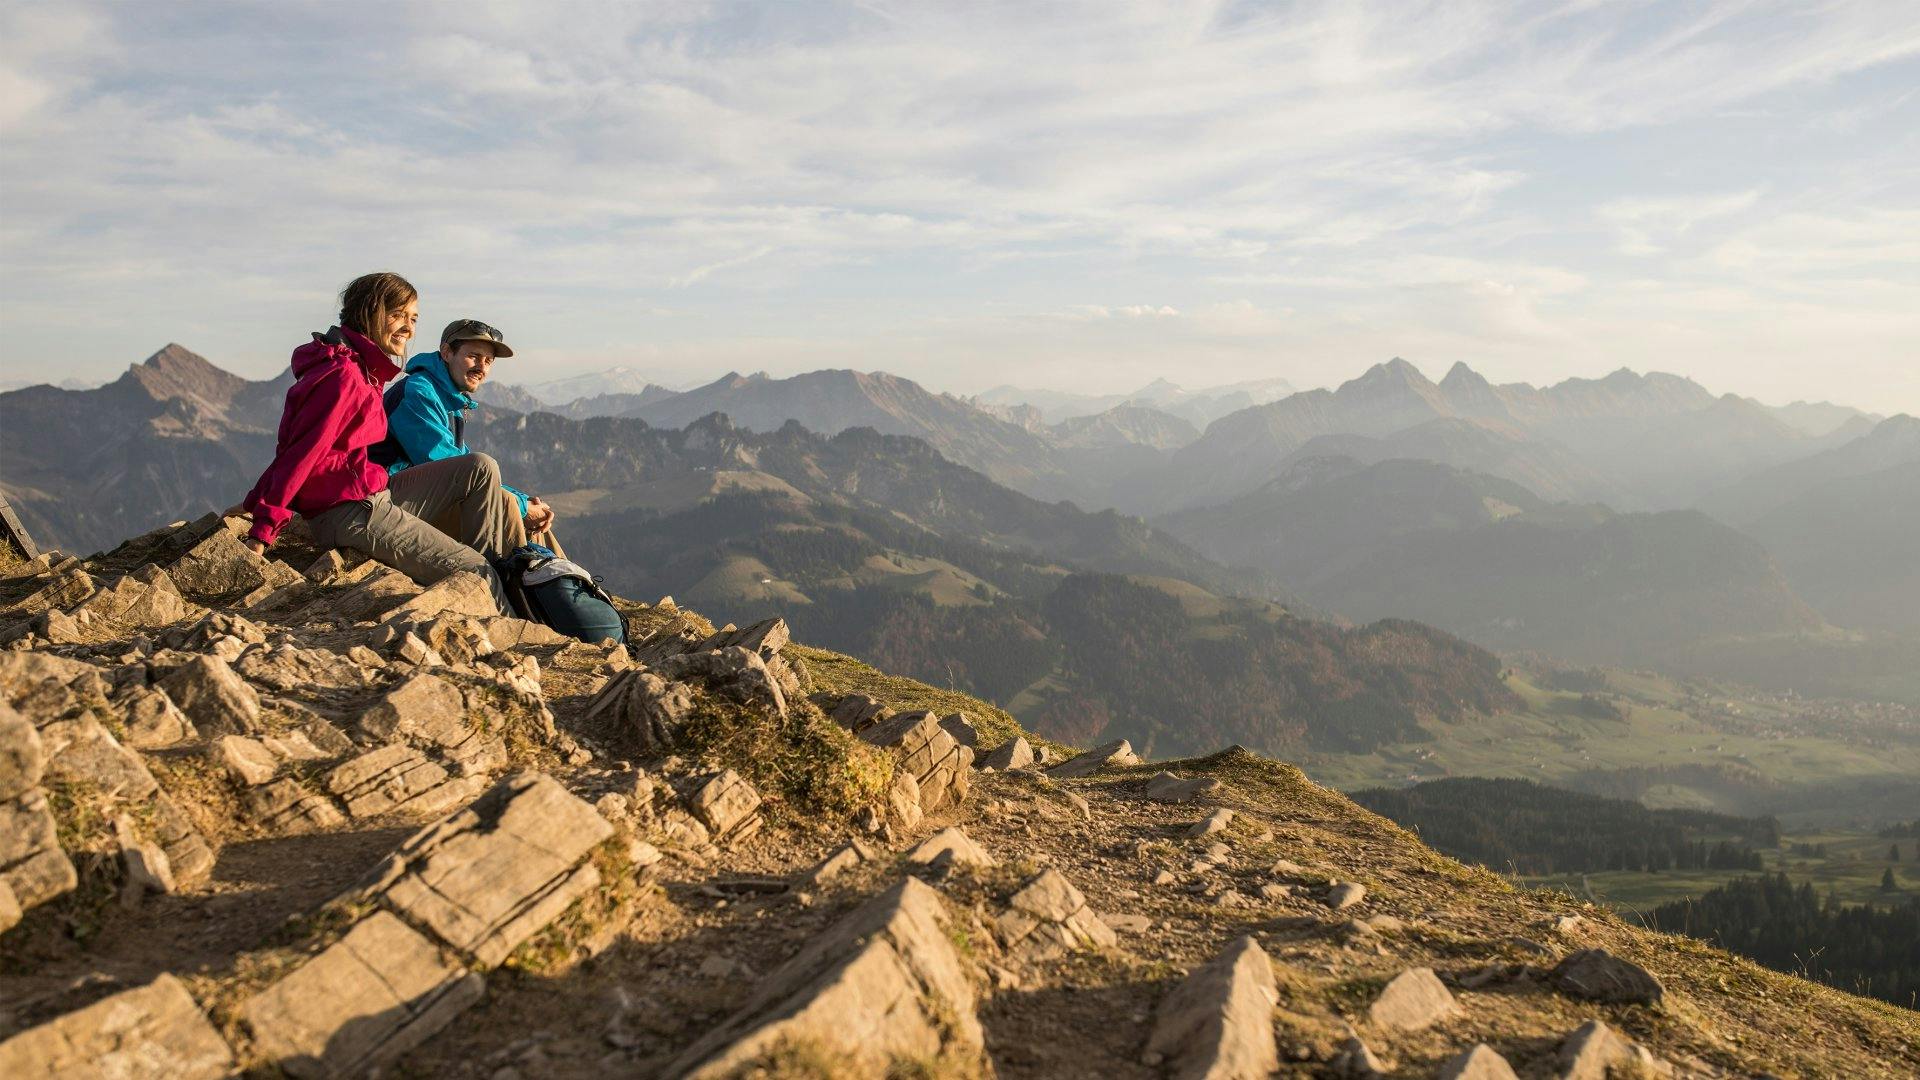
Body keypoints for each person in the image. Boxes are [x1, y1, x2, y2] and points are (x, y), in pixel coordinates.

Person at [240, 272, 515, 610]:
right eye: (398, 315)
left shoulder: (362, 370)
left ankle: (484, 571)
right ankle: (499, 614)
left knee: (480, 468)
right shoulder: (343, 376)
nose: (409, 329)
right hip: (349, 512)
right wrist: (262, 529)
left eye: (413, 319)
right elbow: (299, 454)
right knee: (477, 571)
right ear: (370, 312)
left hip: (370, 494)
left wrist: (250, 501)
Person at [373, 318, 564, 555]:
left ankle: (566, 584)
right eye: (473, 356)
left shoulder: (449, 398)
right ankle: (523, 582)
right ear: (446, 352)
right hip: (382, 499)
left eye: (488, 361)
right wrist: (522, 505)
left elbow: (459, 463)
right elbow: (447, 465)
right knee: (505, 503)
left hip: (414, 495)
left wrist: (526, 502)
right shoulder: (419, 392)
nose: (481, 368)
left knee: (522, 509)